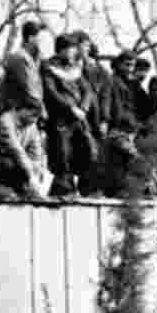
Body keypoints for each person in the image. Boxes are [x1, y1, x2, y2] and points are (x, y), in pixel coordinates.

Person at [41, 32, 99, 195]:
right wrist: (70, 108)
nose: (74, 52)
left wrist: (83, 108)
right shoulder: (48, 67)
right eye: (71, 49)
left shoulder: (75, 67)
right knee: (63, 155)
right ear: (61, 50)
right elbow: (51, 93)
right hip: (60, 119)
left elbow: (87, 90)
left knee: (88, 150)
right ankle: (63, 189)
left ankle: (87, 188)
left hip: (79, 118)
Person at [0, 97, 52, 197]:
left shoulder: (31, 126)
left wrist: (38, 170)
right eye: (33, 115)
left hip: (19, 163)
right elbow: (16, 151)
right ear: (23, 109)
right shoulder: (5, 122)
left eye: (37, 117)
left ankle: (30, 191)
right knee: (9, 164)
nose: (35, 120)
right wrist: (31, 176)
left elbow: (36, 151)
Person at [2, 19, 46, 117]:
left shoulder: (31, 59)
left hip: (29, 111)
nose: (41, 42)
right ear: (30, 38)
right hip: (19, 112)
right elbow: (25, 86)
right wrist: (39, 107)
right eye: (39, 38)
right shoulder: (19, 57)